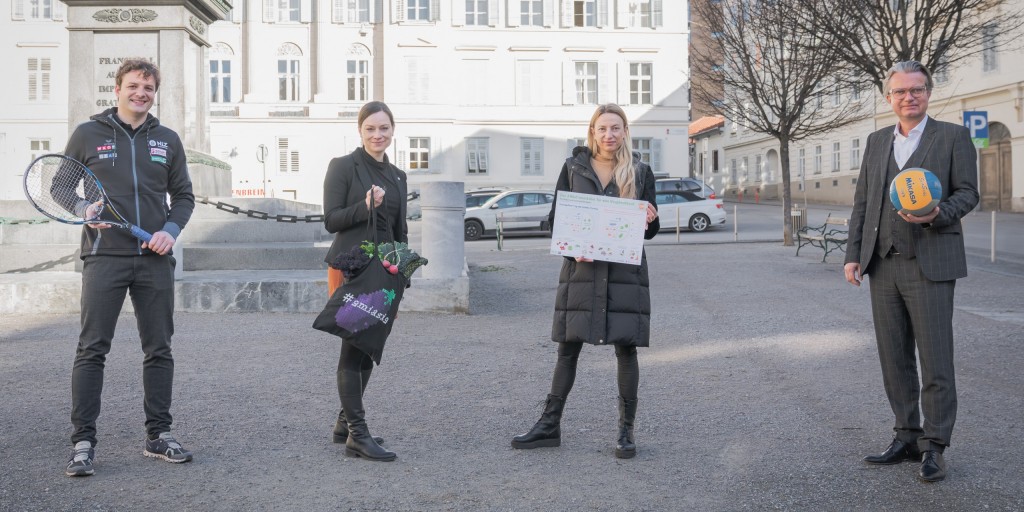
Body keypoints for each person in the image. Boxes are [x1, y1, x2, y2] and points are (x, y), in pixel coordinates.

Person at [844, 61, 979, 483]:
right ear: (889, 98)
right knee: (894, 357)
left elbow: (970, 193)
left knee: (936, 358)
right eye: (901, 91)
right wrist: (853, 255)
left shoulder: (953, 137)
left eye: (917, 89)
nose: (909, 97)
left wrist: (939, 214)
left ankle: (934, 446)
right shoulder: (876, 140)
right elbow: (863, 203)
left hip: (931, 263)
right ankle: (906, 434)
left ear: (928, 93)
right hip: (882, 263)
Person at [62, 58, 196, 477]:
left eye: (149, 88)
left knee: (159, 349)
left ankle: (159, 435)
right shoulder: (88, 134)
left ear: (155, 93)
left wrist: (170, 230)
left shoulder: (168, 140)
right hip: (104, 257)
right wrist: (84, 208)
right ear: (117, 88)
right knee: (91, 349)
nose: (141, 93)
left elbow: (184, 197)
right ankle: (83, 442)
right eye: (134, 85)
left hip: (154, 259)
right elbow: (61, 187)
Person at [511, 104, 659, 459]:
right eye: (602, 128)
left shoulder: (640, 171)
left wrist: (651, 218)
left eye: (616, 128)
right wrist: (571, 249)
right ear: (592, 131)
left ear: (625, 132)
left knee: (626, 348)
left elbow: (650, 231)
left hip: (625, 274)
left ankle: (625, 431)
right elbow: (556, 219)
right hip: (582, 271)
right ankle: (549, 425)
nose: (609, 135)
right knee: (568, 347)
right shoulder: (573, 167)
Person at [322, 101, 408, 462]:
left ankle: (345, 423)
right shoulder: (343, 166)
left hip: (385, 273)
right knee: (353, 347)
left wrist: (402, 275)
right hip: (352, 268)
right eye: (371, 128)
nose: (378, 135)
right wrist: (365, 206)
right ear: (360, 130)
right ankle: (358, 433)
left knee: (370, 347)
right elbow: (332, 219)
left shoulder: (398, 175)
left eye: (384, 128)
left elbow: (400, 229)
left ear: (392, 131)